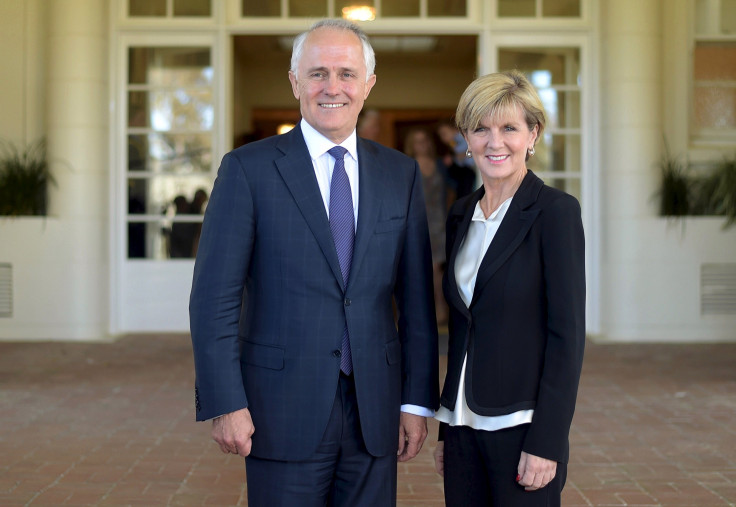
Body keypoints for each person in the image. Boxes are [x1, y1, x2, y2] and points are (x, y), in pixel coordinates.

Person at [189, 18, 439, 507]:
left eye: (346, 74)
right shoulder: (248, 170)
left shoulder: (399, 174)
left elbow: (416, 303)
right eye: (317, 73)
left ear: (368, 85)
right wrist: (225, 402)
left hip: (376, 408)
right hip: (279, 407)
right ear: (294, 81)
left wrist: (415, 401)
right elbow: (213, 299)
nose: (332, 87)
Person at [432, 70, 585, 506]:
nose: (494, 142)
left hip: (523, 428)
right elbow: (464, 329)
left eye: (509, 128)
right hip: (462, 427)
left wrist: (548, 442)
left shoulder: (555, 213)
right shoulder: (461, 214)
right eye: (480, 128)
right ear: (466, 137)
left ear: (532, 135)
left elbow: (566, 338)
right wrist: (448, 424)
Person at [403, 128, 451, 325]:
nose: (421, 145)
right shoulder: (407, 165)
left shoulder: (440, 164)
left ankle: (440, 309)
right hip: (416, 222)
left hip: (439, 221)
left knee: (437, 268)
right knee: (420, 268)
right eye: (417, 141)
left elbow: (451, 190)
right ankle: (423, 311)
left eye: (424, 141)